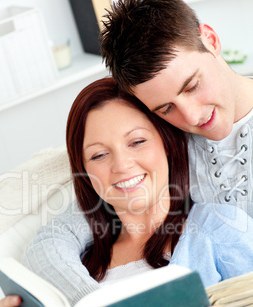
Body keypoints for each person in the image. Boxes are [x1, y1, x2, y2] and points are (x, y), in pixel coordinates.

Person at [0, 78, 253, 307]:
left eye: (137, 142)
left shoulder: (218, 229)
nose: (122, 165)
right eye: (99, 155)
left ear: (167, 142)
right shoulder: (78, 257)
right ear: (84, 171)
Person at [100, 0, 253, 217]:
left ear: (210, 40)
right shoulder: (161, 142)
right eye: (166, 109)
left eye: (192, 86)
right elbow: (67, 228)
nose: (191, 117)